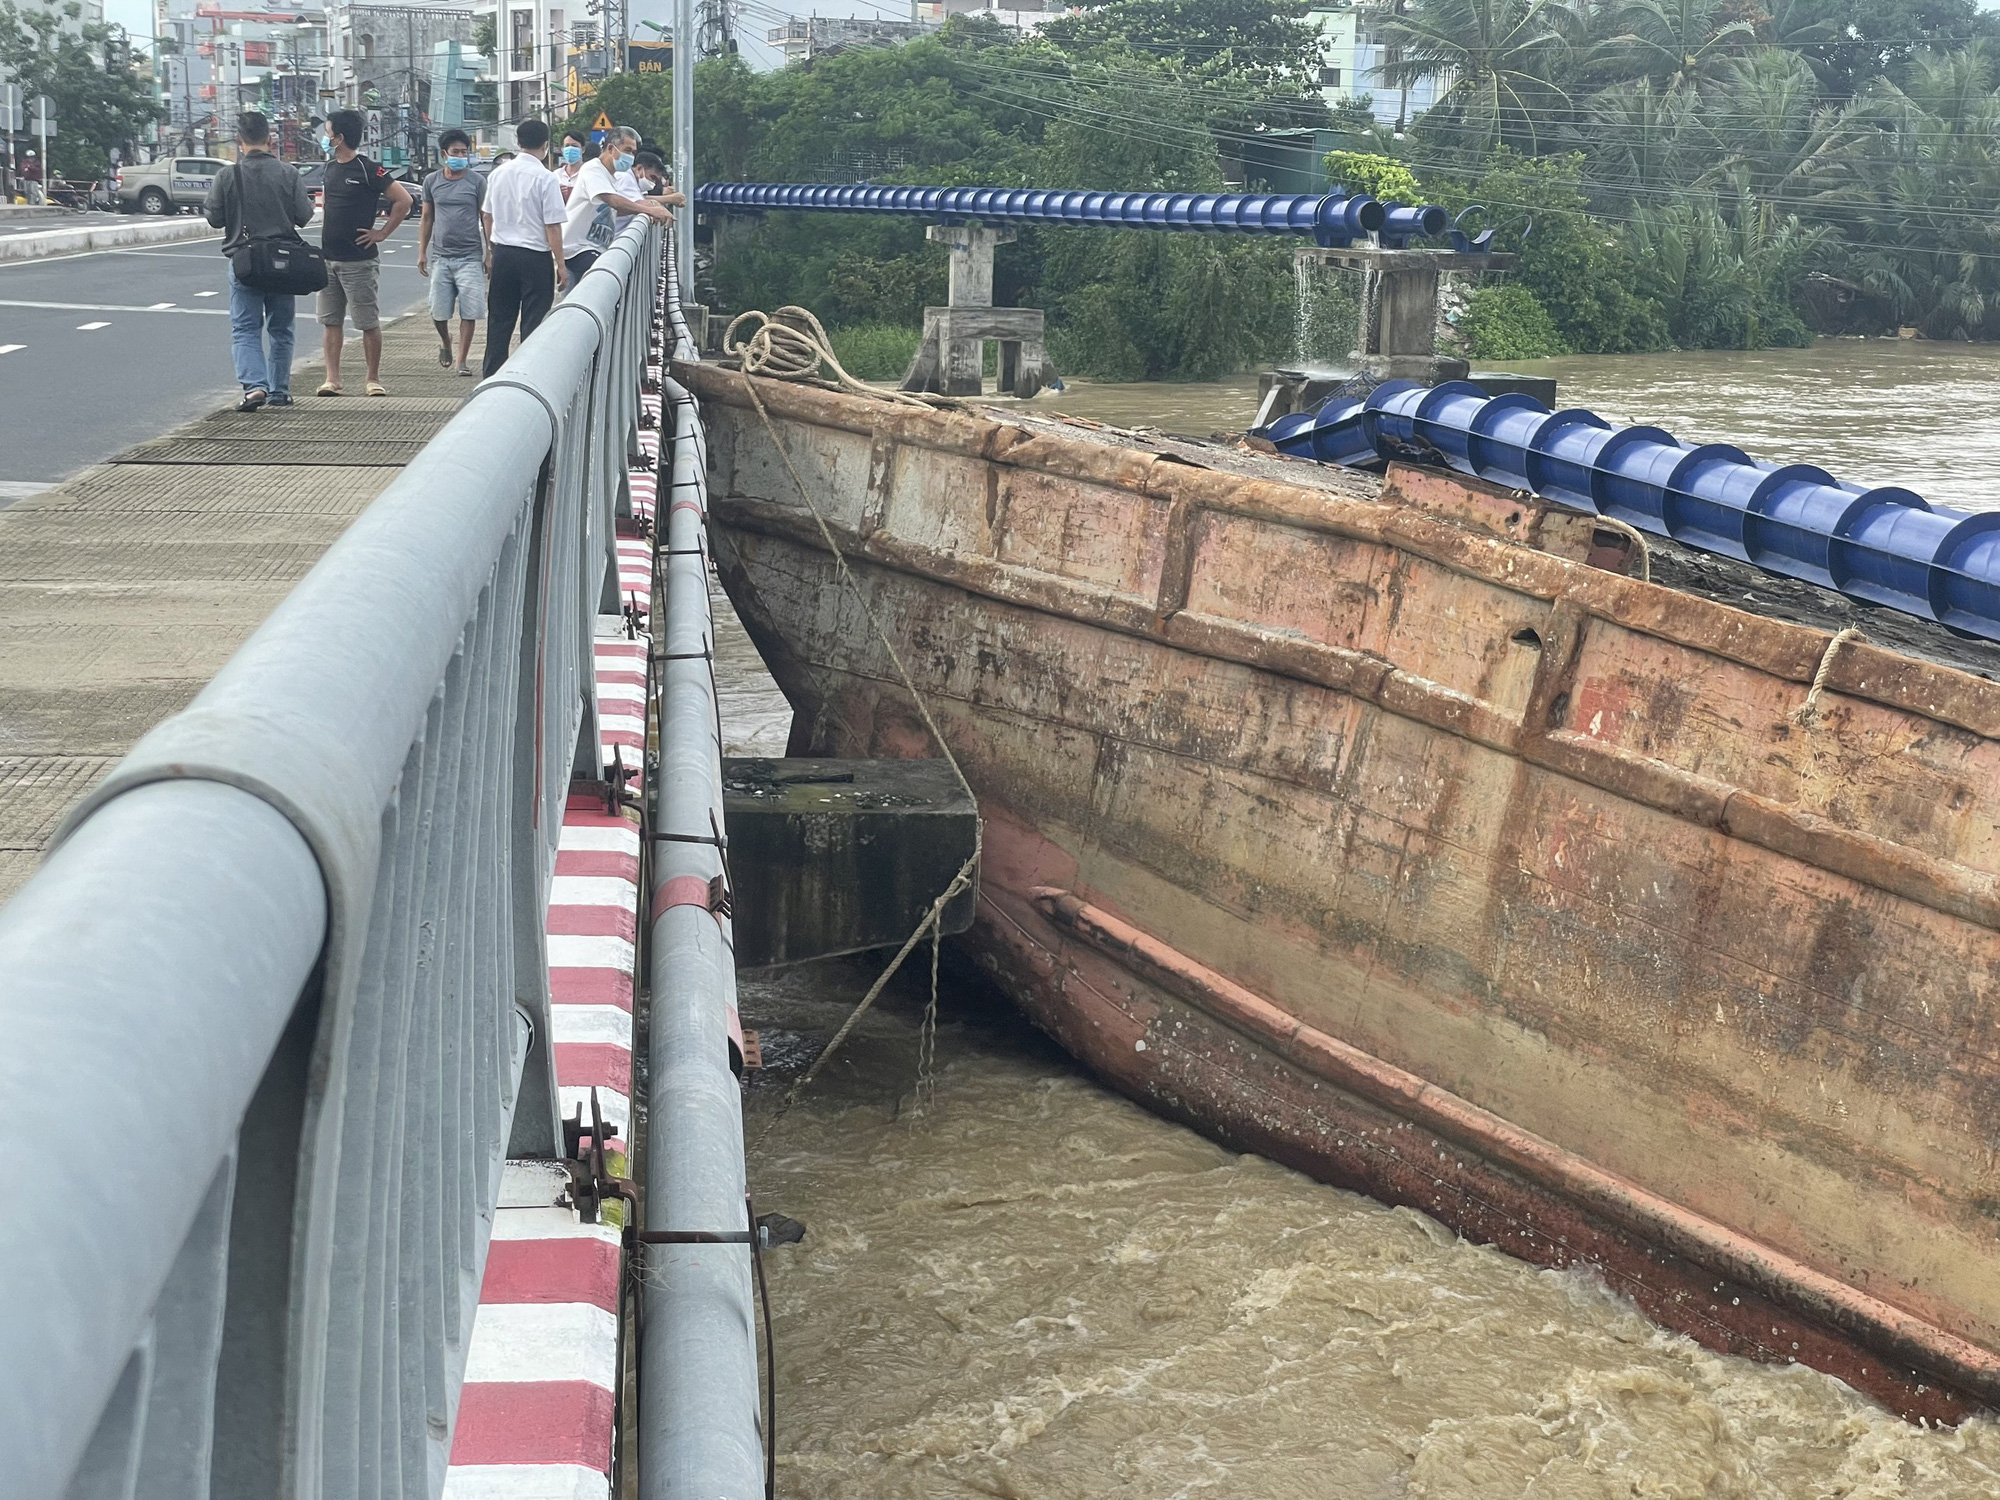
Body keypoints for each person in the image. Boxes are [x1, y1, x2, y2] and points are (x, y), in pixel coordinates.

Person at [204, 110, 314, 411]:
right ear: (269, 139)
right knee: (282, 329)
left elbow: (214, 218)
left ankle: (254, 387)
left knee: (245, 328)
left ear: (240, 141)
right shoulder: (289, 173)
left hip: (245, 261)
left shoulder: (227, 175)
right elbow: (304, 216)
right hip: (283, 261)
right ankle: (279, 390)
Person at [315, 108, 412, 396]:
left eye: (328, 133)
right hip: (328, 258)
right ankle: (332, 379)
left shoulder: (369, 169)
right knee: (331, 321)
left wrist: (381, 232)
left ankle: (373, 378)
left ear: (340, 137)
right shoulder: (330, 168)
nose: (325, 137)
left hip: (359, 261)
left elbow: (403, 200)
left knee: (367, 322)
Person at [480, 119, 568, 378]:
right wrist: (560, 264)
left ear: (517, 143)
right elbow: (552, 226)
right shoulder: (546, 178)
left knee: (499, 320)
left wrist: (492, 249)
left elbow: (487, 215)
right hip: (535, 258)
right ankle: (527, 376)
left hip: (504, 254)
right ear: (546, 145)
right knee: (533, 322)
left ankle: (492, 377)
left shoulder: (498, 174)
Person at [559, 127, 673, 285]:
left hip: (594, 247)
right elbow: (614, 201)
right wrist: (650, 210)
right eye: (627, 150)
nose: (631, 157)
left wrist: (649, 207)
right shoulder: (593, 169)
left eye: (633, 152)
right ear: (611, 148)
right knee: (608, 281)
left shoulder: (612, 177)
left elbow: (616, 208)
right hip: (578, 249)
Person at [417, 128, 488, 377]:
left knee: (470, 311)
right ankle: (446, 341)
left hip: (470, 255)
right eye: (455, 151)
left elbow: (485, 217)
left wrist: (490, 252)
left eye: (464, 151)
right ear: (445, 154)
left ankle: (462, 360)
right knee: (438, 311)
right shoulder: (431, 181)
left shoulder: (477, 182)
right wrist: (422, 252)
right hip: (441, 257)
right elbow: (427, 217)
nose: (460, 155)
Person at [555, 133, 586, 203]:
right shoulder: (556, 175)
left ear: (583, 149)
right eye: (567, 145)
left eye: (574, 146)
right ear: (562, 150)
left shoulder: (589, 173)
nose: (570, 149)